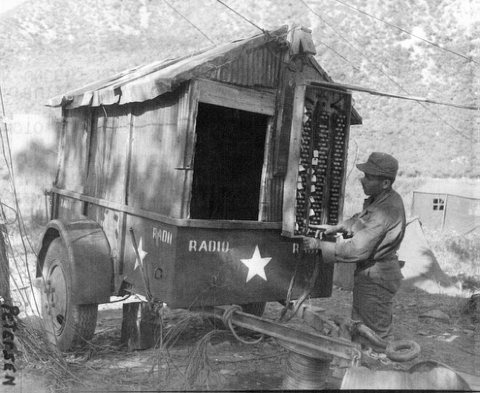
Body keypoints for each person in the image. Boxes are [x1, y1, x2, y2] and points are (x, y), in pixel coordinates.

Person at [303, 152, 406, 342]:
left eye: (369, 177)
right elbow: (362, 219)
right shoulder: (381, 200)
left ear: (385, 183)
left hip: (377, 278)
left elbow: (357, 249)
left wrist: (319, 245)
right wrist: (341, 226)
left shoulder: (387, 210)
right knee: (361, 330)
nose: (362, 180)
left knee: (373, 337)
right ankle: (361, 366)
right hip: (371, 275)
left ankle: (372, 367)